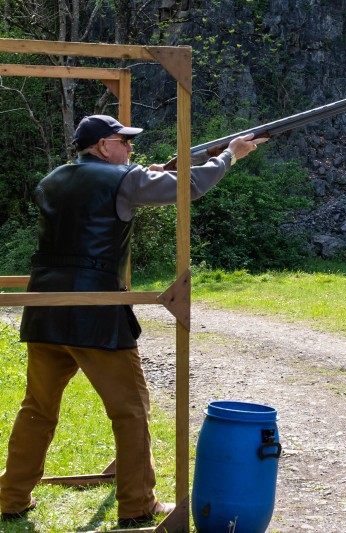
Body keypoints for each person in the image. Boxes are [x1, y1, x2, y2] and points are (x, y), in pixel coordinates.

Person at [0, 115, 267, 527]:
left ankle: (11, 496)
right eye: (124, 142)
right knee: (131, 411)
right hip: (97, 312)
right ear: (104, 146)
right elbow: (191, 187)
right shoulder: (124, 178)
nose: (130, 149)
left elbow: (107, 194)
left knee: (37, 409)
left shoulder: (52, 179)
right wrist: (231, 154)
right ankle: (138, 505)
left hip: (46, 307)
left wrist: (155, 172)